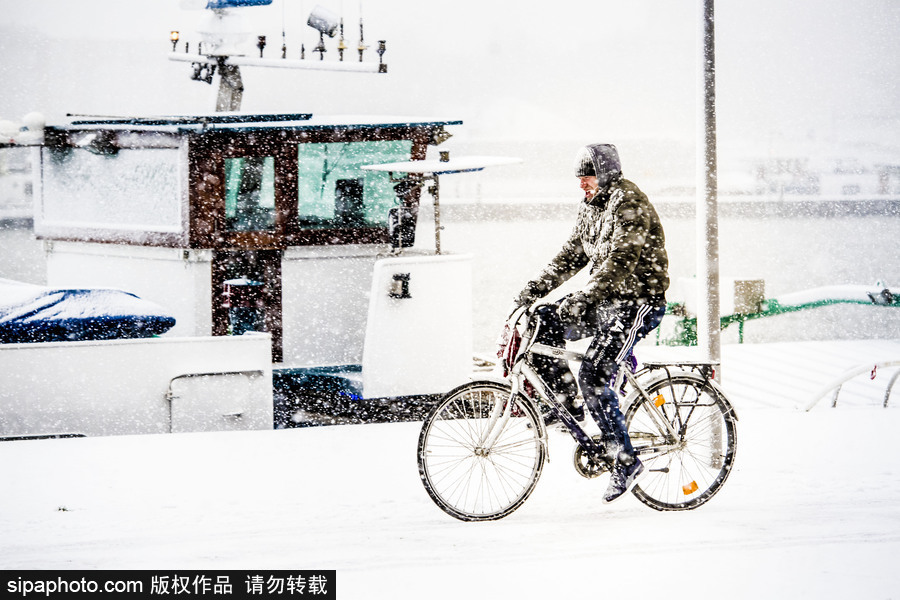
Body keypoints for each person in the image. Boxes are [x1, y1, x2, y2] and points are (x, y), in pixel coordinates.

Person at [512, 143, 670, 503]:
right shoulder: (591, 206)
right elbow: (572, 255)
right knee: (544, 321)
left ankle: (626, 462)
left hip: (637, 303)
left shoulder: (628, 202)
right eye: (580, 178)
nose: (582, 184)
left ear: (607, 173)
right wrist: (534, 290)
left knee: (594, 374)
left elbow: (621, 260)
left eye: (589, 177)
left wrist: (585, 297)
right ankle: (566, 404)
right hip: (606, 300)